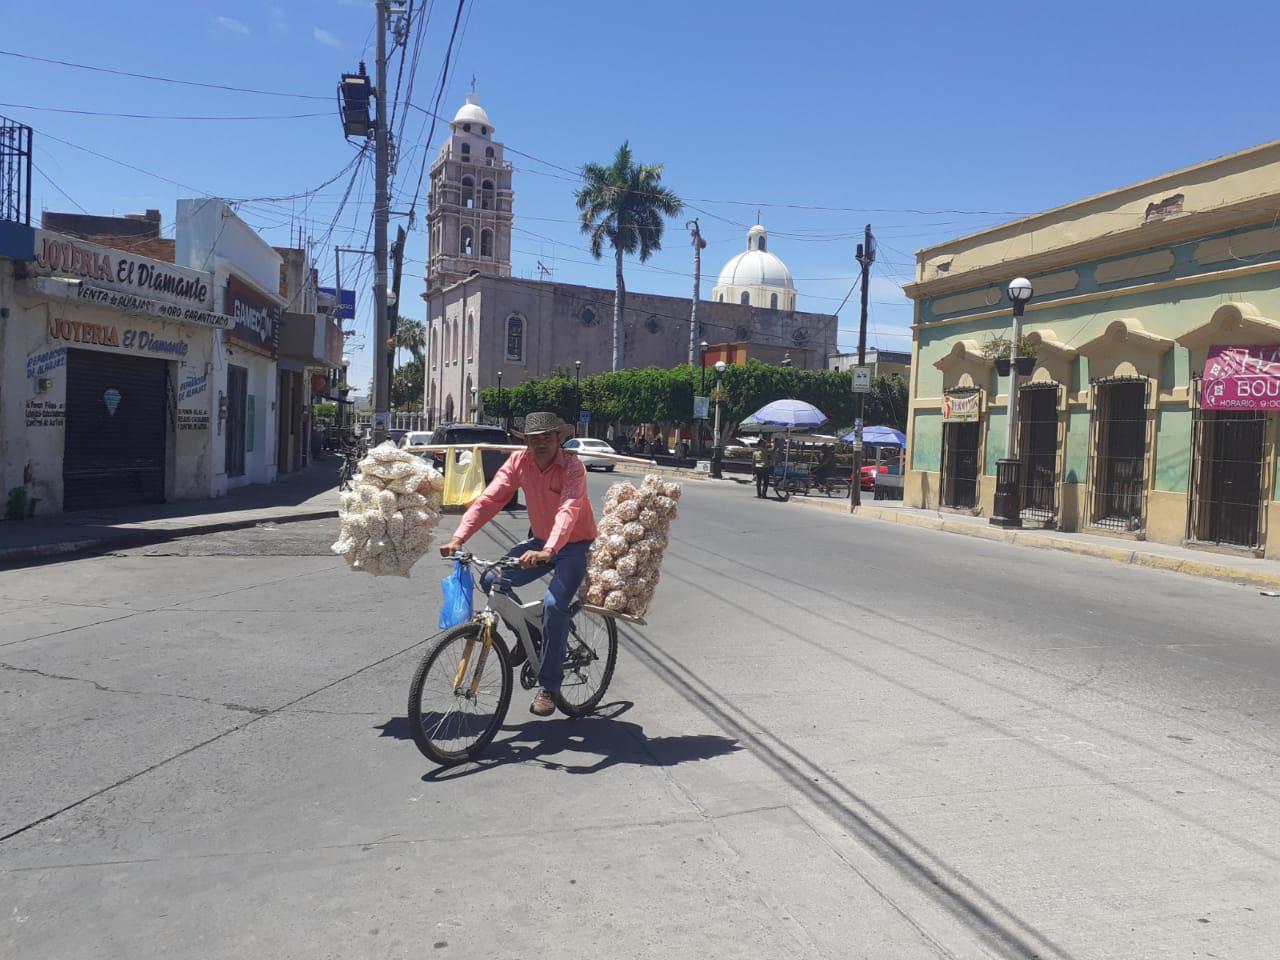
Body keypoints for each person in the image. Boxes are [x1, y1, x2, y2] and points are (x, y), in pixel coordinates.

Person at [438, 411, 597, 717]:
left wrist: (551, 548)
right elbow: (490, 500)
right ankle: (531, 636)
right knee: (491, 579)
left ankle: (549, 686)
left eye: (546, 438)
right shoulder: (518, 463)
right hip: (539, 541)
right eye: (532, 439)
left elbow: (569, 508)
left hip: (573, 545)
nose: (539, 444)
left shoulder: (573, 468)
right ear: (524, 441)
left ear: (558, 438)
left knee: (554, 605)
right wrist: (458, 538)